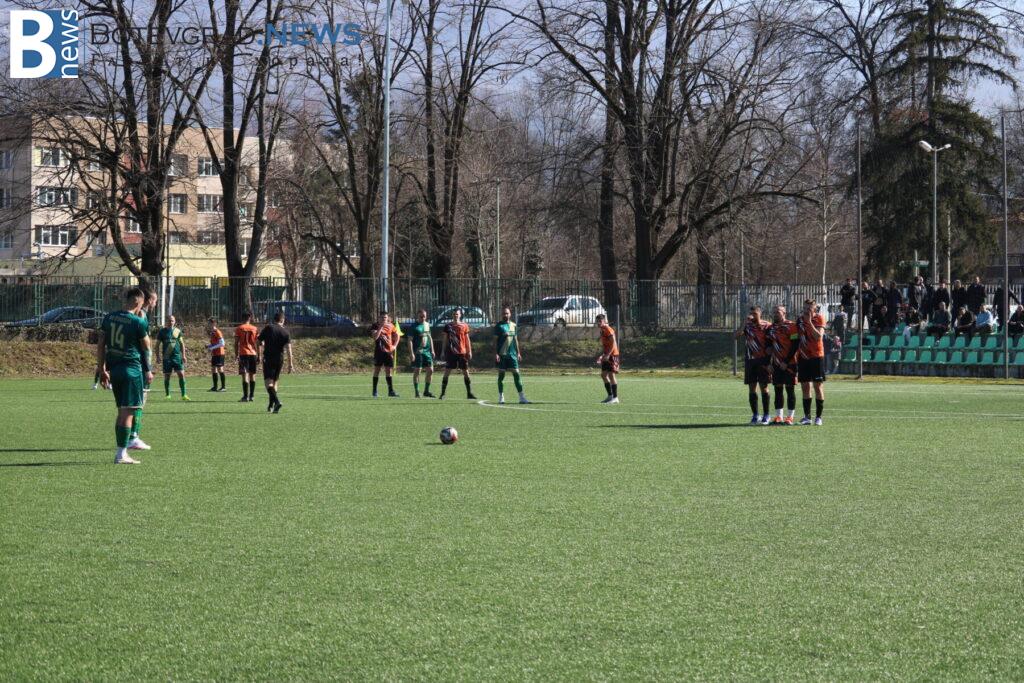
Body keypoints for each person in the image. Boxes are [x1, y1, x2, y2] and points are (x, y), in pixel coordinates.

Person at [95, 287, 153, 464]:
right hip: (131, 370)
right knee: (128, 412)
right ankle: (121, 454)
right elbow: (147, 346)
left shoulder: (109, 317)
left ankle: (121, 452)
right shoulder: (137, 322)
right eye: (142, 304)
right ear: (137, 301)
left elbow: (101, 344)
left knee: (121, 411)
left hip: (114, 370)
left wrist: (102, 369)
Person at [734, 305, 772, 425]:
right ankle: (755, 415)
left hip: (763, 360)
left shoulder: (767, 325)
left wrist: (770, 360)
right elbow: (736, 336)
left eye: (755, 313)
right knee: (752, 388)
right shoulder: (747, 326)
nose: (752, 316)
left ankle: (766, 415)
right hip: (750, 360)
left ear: (760, 313)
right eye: (751, 313)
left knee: (764, 387)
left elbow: (772, 342)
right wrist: (743, 323)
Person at [796, 299, 827, 426]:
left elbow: (818, 336)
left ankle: (818, 417)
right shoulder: (799, 320)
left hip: (816, 356)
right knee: (805, 386)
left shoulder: (819, 318)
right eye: (805, 308)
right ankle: (807, 417)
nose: (806, 310)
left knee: (817, 386)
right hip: (803, 357)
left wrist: (809, 322)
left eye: (809, 308)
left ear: (814, 309)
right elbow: (796, 337)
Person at [768, 305, 799, 425]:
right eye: (774, 312)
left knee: (790, 390)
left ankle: (790, 417)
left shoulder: (792, 326)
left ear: (784, 313)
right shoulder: (771, 328)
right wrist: (769, 363)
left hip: (790, 363)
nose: (775, 314)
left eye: (778, 312)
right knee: (778, 390)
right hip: (776, 364)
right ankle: (779, 417)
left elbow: (795, 345)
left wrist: (786, 362)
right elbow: (769, 347)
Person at [258, 311, 294, 413]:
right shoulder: (285, 332)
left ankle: (277, 402)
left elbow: (259, 341)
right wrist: (290, 364)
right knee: (275, 382)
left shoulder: (268, 328)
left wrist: (260, 352)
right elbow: (289, 349)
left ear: (274, 319)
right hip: (279, 359)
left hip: (269, 358)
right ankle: (271, 406)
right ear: (282, 320)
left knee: (268, 383)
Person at [494, 306, 530, 404]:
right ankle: (501, 397)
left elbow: (516, 340)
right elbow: (495, 341)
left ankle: (521, 397)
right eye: (504, 313)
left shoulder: (514, 325)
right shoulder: (499, 326)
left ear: (510, 314)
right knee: (501, 376)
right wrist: (496, 354)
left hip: (512, 355)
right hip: (502, 354)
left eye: (507, 313)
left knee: (517, 374)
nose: (505, 315)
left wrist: (518, 353)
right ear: (502, 314)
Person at [440, 308, 476, 400]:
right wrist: (443, 351)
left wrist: (469, 351)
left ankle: (469, 393)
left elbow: (467, 339)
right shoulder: (448, 326)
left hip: (462, 352)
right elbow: (445, 340)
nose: (455, 315)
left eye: (457, 314)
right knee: (447, 372)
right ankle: (443, 394)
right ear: (452, 315)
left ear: (460, 315)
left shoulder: (464, 325)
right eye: (454, 314)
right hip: (451, 353)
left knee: (466, 372)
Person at [155, 314, 190, 400]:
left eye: (172, 320)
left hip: (177, 356)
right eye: (169, 320)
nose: (170, 322)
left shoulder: (177, 331)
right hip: (167, 357)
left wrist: (183, 355)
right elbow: (157, 345)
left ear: (174, 322)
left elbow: (182, 344)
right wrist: (158, 357)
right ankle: (167, 395)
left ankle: (184, 395)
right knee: (167, 376)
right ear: (166, 321)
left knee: (181, 374)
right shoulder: (162, 332)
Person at [370, 311, 400, 398]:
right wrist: (381, 327)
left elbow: (397, 335)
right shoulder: (375, 325)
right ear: (378, 318)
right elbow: (375, 337)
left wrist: (394, 346)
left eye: (385, 317)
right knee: (377, 370)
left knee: (388, 371)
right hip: (379, 351)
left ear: (387, 318)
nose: (383, 319)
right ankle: (374, 391)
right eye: (382, 317)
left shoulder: (391, 325)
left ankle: (391, 391)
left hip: (388, 352)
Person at [407, 309, 436, 398]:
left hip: (427, 352)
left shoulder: (427, 325)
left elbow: (430, 337)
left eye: (424, 316)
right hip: (418, 352)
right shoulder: (413, 326)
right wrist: (411, 353)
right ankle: (417, 392)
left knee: (430, 370)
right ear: (417, 316)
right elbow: (409, 340)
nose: (423, 318)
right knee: (417, 371)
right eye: (421, 316)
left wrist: (432, 350)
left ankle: (426, 391)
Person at [235, 311, 260, 402]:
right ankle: (252, 396)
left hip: (243, 353)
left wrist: (236, 355)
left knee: (244, 375)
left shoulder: (239, 328)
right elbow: (258, 343)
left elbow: (236, 343)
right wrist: (259, 355)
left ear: (242, 318)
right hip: (253, 353)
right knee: (252, 375)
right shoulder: (255, 328)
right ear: (250, 318)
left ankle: (245, 397)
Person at [595, 313, 620, 403]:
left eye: (600, 321)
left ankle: (615, 398)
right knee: (603, 375)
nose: (598, 323)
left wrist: (608, 354)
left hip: (612, 355)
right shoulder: (602, 330)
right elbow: (606, 345)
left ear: (604, 321)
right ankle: (610, 396)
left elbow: (613, 343)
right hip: (607, 354)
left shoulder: (608, 329)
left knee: (611, 375)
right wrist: (603, 355)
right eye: (597, 321)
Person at [206, 317, 227, 392]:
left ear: (214, 323)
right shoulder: (212, 332)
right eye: (208, 323)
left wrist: (212, 348)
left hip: (220, 353)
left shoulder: (217, 332)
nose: (208, 324)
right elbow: (215, 343)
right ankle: (215, 387)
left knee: (220, 369)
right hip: (214, 354)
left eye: (210, 323)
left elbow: (222, 343)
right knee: (213, 369)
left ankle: (223, 387)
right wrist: (209, 346)